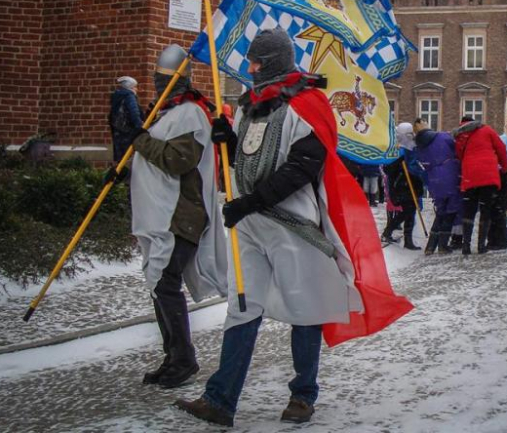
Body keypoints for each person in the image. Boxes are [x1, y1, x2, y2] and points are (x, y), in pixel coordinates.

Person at [175, 29, 412, 426]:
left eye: (255, 62)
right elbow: (248, 159)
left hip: (293, 226)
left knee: (306, 308)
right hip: (250, 225)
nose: (249, 69)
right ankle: (220, 399)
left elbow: (302, 167)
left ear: (270, 63)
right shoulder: (251, 106)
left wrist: (251, 201)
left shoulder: (310, 104)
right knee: (242, 307)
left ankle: (303, 395)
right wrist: (227, 140)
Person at [129, 45, 226, 389]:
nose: (157, 86)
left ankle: (183, 359)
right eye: (156, 80)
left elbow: (178, 160)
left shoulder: (190, 115)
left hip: (181, 215)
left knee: (165, 283)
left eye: (162, 81)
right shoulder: (167, 115)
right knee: (159, 284)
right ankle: (174, 356)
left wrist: (140, 140)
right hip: (165, 215)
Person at [453, 115, 507, 254]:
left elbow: (459, 155)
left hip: (470, 177)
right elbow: (501, 148)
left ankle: (466, 245)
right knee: (486, 211)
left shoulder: (460, 135)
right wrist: (504, 166)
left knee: (469, 211)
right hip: (488, 175)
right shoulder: (487, 130)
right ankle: (481, 245)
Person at [413, 118, 462, 255]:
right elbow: (456, 149)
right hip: (449, 174)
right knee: (451, 211)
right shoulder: (442, 137)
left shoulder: (418, 146)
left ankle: (430, 247)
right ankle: (442, 245)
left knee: (440, 211)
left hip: (433, 178)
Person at [381, 122, 423, 250]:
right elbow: (388, 168)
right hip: (401, 185)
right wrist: (400, 164)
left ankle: (407, 240)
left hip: (412, 184)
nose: (411, 136)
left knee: (410, 212)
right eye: (408, 134)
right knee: (407, 211)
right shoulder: (396, 150)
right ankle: (388, 232)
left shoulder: (413, 148)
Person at [108, 76, 144, 162]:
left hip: (118, 130)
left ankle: (120, 173)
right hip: (128, 130)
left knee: (121, 157)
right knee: (129, 157)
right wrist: (140, 128)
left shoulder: (117, 96)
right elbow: (134, 112)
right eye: (135, 87)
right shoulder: (129, 96)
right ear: (130, 87)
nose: (136, 89)